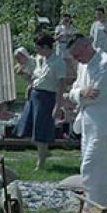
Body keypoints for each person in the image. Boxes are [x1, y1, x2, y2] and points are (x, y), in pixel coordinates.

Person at [67, 34, 107, 213]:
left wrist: (79, 95)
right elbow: (73, 92)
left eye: (77, 54)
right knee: (94, 171)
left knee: (91, 168)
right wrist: (81, 93)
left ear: (87, 46)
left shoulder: (106, 64)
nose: (76, 59)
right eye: (74, 57)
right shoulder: (83, 65)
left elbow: (98, 95)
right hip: (87, 125)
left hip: (104, 126)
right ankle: (96, 212)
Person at [15, 34, 64, 169]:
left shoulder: (58, 62)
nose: (37, 52)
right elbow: (35, 78)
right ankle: (44, 152)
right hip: (35, 95)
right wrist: (24, 75)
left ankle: (41, 162)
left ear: (46, 47)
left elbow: (61, 84)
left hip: (47, 97)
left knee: (40, 130)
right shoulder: (40, 60)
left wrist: (58, 105)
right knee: (27, 128)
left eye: (39, 49)